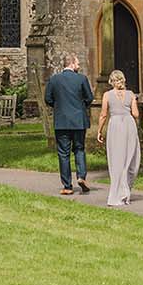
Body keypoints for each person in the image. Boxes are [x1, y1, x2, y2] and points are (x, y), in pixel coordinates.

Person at [43, 54, 96, 195]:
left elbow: (48, 98)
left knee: (63, 153)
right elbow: (89, 98)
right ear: (72, 64)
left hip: (61, 121)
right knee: (79, 149)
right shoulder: (81, 79)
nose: (79, 66)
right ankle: (81, 176)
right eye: (78, 63)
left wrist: (59, 107)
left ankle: (67, 186)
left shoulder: (54, 80)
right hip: (79, 120)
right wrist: (80, 106)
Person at [94, 69, 141, 206]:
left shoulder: (107, 95)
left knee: (116, 159)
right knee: (131, 157)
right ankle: (125, 191)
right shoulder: (131, 94)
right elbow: (136, 114)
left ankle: (117, 193)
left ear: (111, 81)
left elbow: (103, 115)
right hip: (129, 125)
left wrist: (99, 131)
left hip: (115, 125)